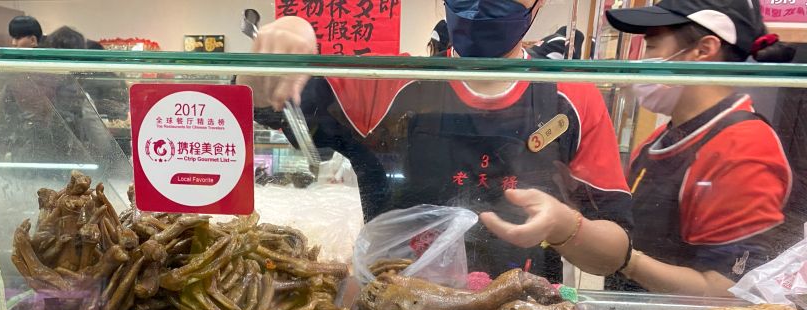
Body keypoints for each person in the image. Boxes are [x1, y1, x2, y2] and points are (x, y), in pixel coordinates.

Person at [247, 1, 632, 283]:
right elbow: (268, 103)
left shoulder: (571, 99)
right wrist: (287, 40)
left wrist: (565, 226)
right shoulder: (387, 83)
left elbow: (613, 254)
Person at [605, 0, 795, 295]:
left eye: (652, 48)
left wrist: (624, 260)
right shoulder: (658, 139)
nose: (643, 62)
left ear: (704, 49)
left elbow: (724, 291)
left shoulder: (743, 148)